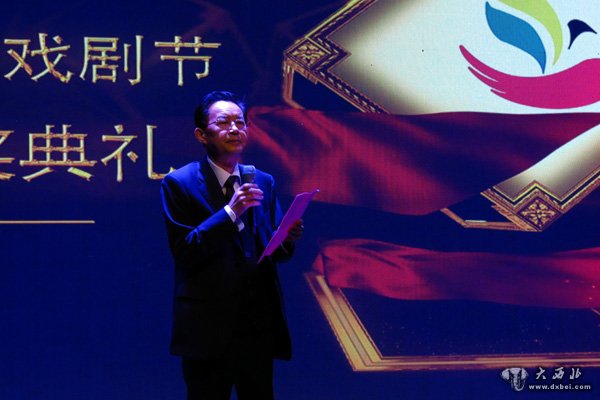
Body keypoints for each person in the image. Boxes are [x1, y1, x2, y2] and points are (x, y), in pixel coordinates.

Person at [160, 91, 303, 400]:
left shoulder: (262, 180)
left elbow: (270, 251)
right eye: (224, 122)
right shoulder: (179, 183)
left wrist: (286, 238)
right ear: (201, 134)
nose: (235, 129)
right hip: (207, 328)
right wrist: (230, 212)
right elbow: (185, 250)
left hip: (257, 324)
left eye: (240, 122)